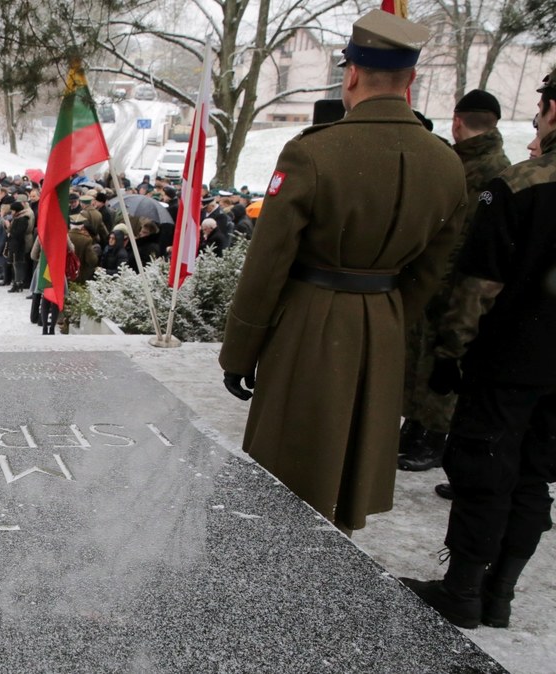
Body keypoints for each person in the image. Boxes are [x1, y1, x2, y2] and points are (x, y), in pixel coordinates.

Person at [217, 9, 467, 534]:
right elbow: (431, 270)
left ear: (350, 74)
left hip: (310, 323)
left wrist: (240, 352)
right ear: (411, 79)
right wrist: (389, 317)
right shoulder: (446, 163)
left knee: (287, 473)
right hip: (382, 324)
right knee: (346, 472)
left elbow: (267, 265)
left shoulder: (314, 152)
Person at [399, 67, 556, 630]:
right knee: (535, 478)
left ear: (552, 111)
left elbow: (478, 285)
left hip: (507, 359)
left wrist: (449, 354)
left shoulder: (519, 186)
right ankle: (502, 593)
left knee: (484, 470)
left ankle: (464, 588)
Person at [399, 89, 511, 472]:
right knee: (421, 356)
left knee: (444, 359)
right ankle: (416, 426)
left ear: (457, 120)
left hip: (458, 284)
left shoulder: (483, 169)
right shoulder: (480, 165)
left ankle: (433, 435)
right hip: (440, 279)